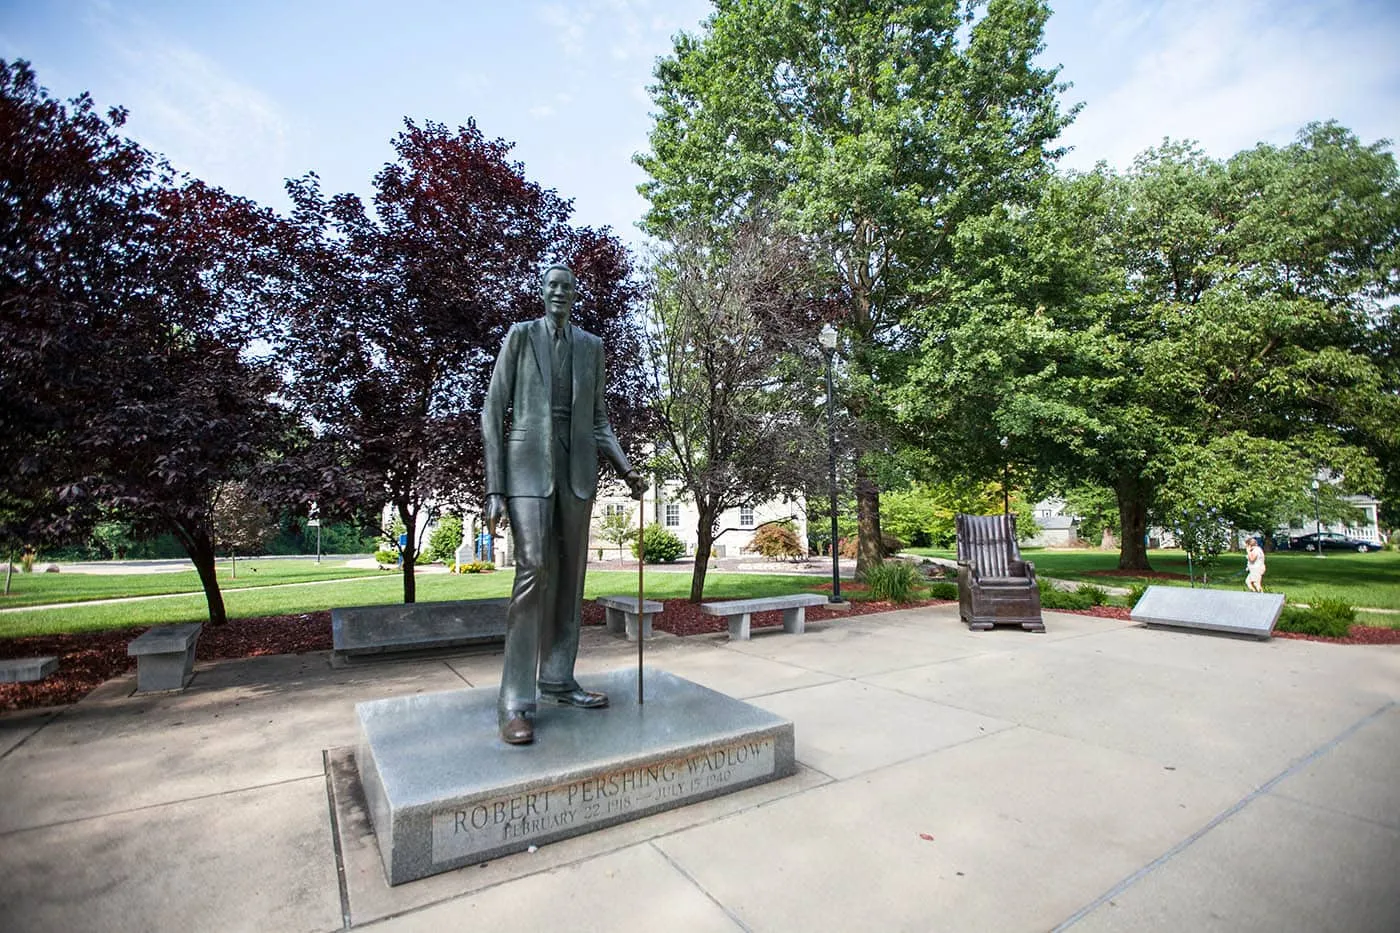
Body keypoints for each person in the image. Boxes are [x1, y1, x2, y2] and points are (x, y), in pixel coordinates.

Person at [481, 264, 647, 745]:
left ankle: (557, 679)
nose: (559, 292)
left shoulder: (591, 347)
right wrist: (495, 487)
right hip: (527, 469)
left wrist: (626, 468)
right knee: (532, 570)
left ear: (575, 294)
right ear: (541, 291)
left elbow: (598, 421)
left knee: (571, 579)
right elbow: (494, 410)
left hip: (576, 475)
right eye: (552, 285)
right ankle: (514, 701)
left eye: (567, 287)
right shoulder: (520, 336)